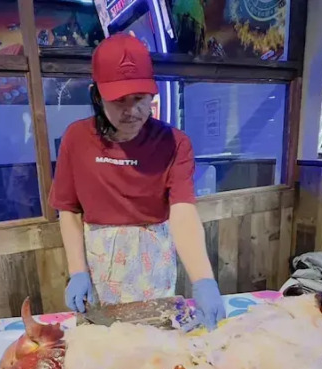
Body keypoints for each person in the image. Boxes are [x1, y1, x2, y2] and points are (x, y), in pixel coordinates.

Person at [49, 34, 226, 330]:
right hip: (100, 259)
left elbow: (182, 213)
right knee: (103, 341)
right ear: (96, 96)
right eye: (119, 100)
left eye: (140, 98)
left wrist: (204, 280)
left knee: (156, 338)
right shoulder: (76, 138)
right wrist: (77, 270)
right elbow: (68, 209)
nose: (132, 111)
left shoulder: (175, 143)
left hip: (153, 258)